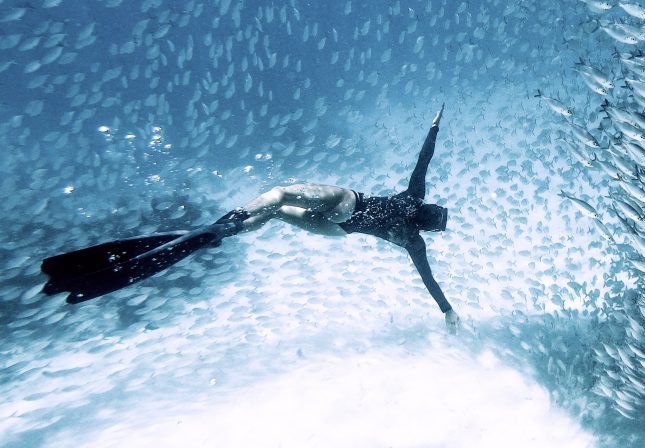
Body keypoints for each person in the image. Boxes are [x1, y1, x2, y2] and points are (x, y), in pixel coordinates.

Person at [42, 106, 459, 333]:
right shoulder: (413, 241)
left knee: (278, 195)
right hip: (337, 230)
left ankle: (226, 226)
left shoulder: (413, 207)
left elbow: (423, 162)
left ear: (426, 217)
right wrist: (446, 312)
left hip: (345, 205)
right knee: (276, 211)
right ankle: (225, 231)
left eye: (432, 215)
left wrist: (434, 127)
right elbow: (430, 281)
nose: (427, 211)